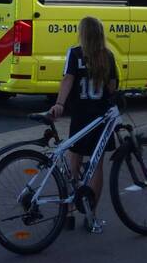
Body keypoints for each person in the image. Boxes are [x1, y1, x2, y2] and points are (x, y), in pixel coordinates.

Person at [49, 16, 119, 234]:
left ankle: (69, 210)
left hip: (80, 117)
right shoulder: (107, 56)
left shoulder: (76, 53)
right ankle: (92, 215)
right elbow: (112, 87)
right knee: (97, 166)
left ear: (83, 34)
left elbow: (68, 79)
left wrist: (60, 103)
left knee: (74, 160)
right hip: (100, 118)